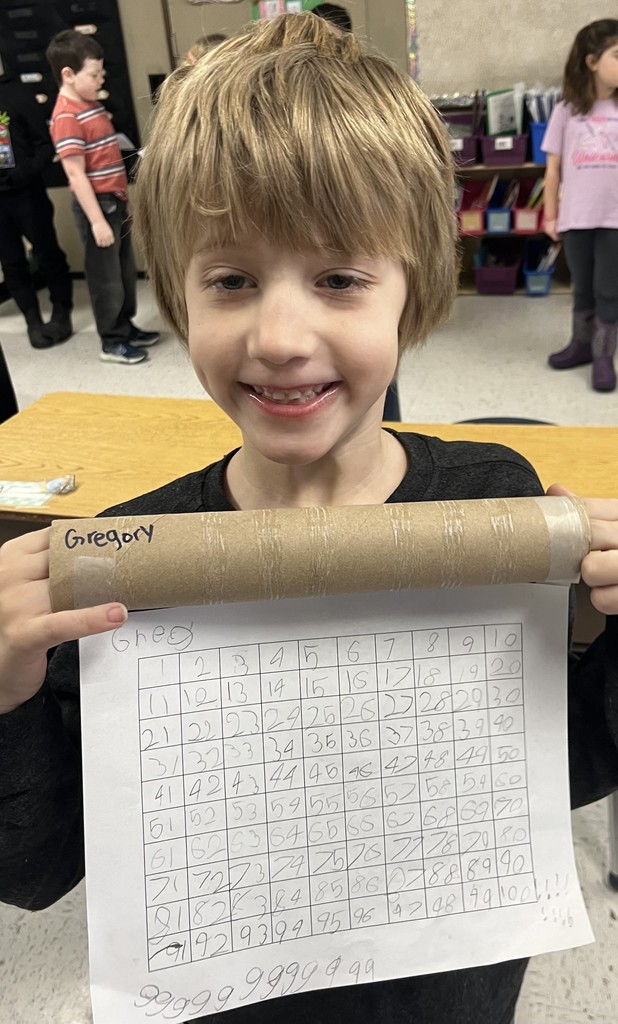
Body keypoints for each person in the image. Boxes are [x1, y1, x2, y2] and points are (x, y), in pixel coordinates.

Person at [1, 14, 618, 1024]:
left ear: (413, 292)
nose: (282, 335)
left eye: (339, 278)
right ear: (179, 291)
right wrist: (7, 699)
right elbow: (38, 867)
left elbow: (565, 771)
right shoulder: (126, 563)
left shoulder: (488, 501)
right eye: (232, 279)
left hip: (448, 995)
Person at [45, 30, 159, 365]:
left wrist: (128, 199)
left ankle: (126, 325)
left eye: (101, 72)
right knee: (106, 280)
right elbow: (76, 174)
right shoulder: (66, 116)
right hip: (97, 206)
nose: (101, 78)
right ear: (68, 74)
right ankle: (112, 340)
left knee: (124, 272)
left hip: (115, 199)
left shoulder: (92, 106)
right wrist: (97, 221)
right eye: (94, 74)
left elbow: (109, 158)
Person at [543, 19, 618, 392]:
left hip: (614, 219)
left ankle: (604, 356)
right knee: (582, 286)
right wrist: (550, 213)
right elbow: (553, 168)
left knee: (609, 288)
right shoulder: (566, 110)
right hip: (577, 216)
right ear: (591, 61)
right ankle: (581, 346)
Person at [0, 55, 73, 348]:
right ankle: (32, 320)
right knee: (12, 262)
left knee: (47, 254)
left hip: (26, 193)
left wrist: (23, 173)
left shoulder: (17, 93)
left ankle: (61, 311)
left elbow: (45, 145)